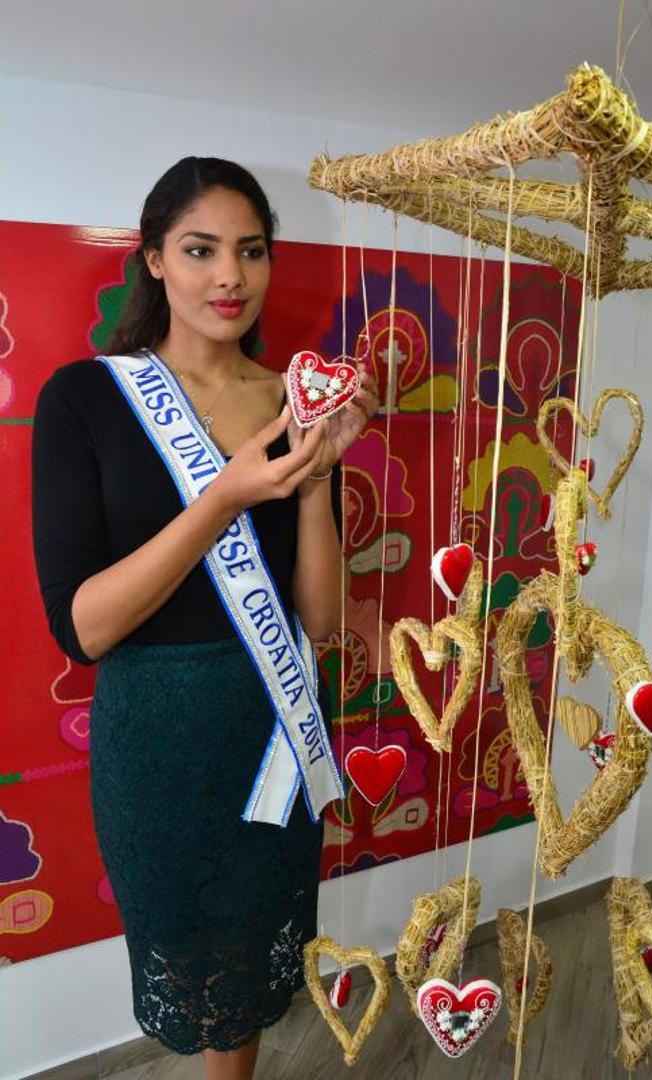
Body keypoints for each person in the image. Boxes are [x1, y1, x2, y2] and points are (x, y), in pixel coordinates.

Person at [31, 156, 379, 1080]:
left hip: (273, 729)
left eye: (251, 251)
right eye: (200, 250)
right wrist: (224, 496)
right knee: (195, 965)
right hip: (157, 741)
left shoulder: (295, 398)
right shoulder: (85, 399)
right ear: (153, 259)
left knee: (252, 966)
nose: (230, 276)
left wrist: (314, 475)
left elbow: (320, 619)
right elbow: (83, 629)